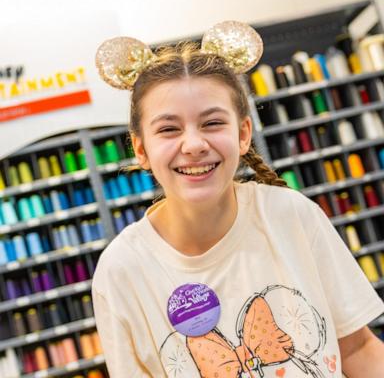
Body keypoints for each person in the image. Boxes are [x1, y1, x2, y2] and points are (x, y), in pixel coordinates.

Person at [92, 21, 384, 378]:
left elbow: (359, 350)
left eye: (212, 123)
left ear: (243, 134)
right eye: (169, 129)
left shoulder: (291, 215)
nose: (194, 144)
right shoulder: (122, 271)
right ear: (141, 149)